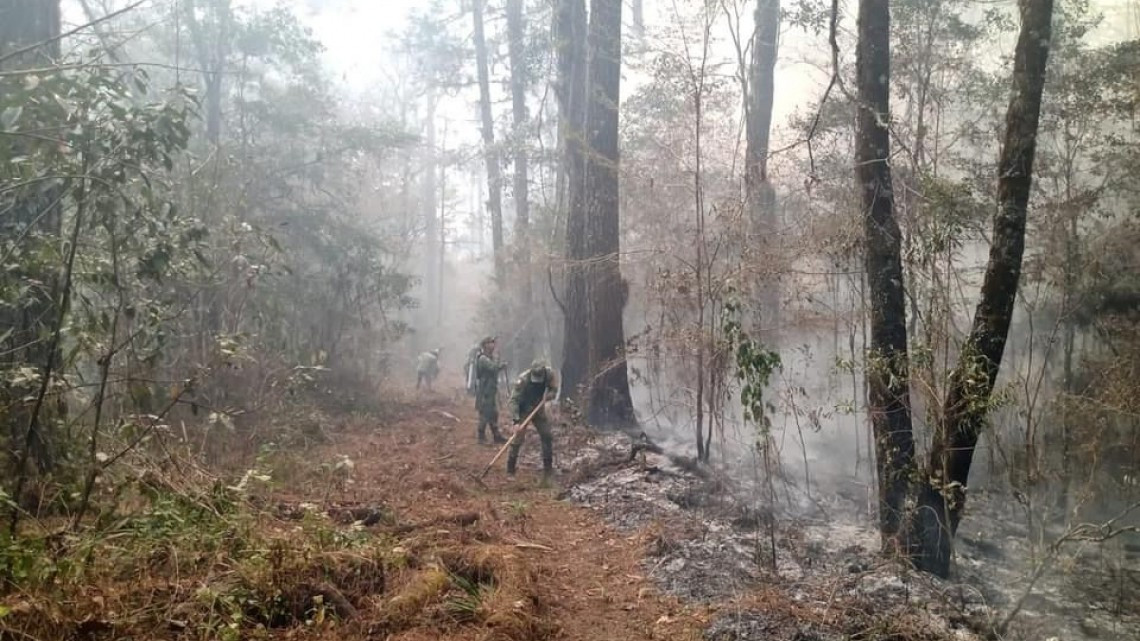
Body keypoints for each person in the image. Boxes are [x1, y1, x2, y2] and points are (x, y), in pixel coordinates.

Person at [506, 359, 560, 484]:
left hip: (538, 408)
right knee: (517, 438)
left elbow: (553, 389)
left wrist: (549, 396)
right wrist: (516, 421)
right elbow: (513, 401)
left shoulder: (549, 374)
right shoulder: (523, 379)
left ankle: (548, 469)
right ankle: (510, 469)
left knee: (546, 435)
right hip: (523, 409)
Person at [474, 336, 509, 444]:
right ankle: (481, 437)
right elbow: (493, 368)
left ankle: (496, 435)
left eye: (493, 343)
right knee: (485, 413)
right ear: (485, 345)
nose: (493, 345)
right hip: (485, 390)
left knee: (493, 413)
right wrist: (501, 365)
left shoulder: (489, 357)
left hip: (490, 389)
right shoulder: (483, 358)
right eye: (491, 343)